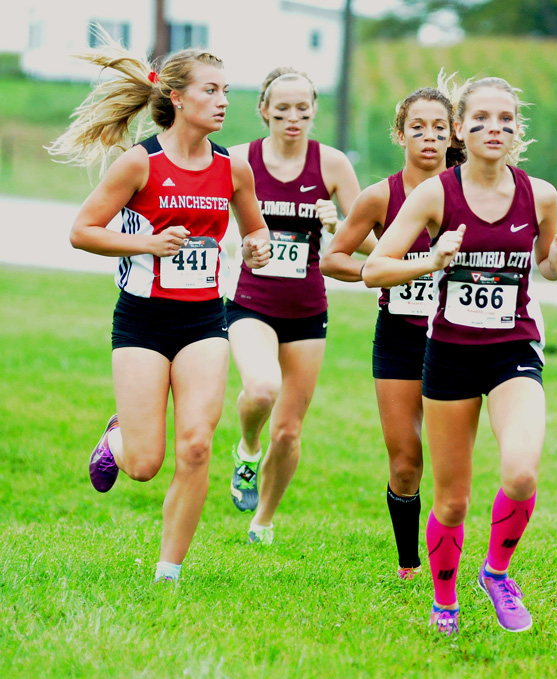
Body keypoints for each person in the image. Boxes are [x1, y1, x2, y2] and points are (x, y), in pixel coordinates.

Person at [46, 33, 271, 584]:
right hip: (143, 322)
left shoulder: (232, 167)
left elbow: (255, 229)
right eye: (211, 90)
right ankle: (117, 437)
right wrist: (146, 244)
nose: (223, 101)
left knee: (196, 445)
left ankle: (168, 573)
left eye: (227, 90)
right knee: (145, 465)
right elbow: (82, 232)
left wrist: (259, 247)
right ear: (175, 97)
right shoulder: (137, 165)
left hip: (204, 321)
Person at [362, 77, 557, 635]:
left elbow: (543, 266)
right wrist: (432, 261)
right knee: (453, 502)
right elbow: (373, 270)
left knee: (521, 471)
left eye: (506, 119)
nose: (495, 128)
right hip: (451, 356)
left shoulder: (542, 195)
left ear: (517, 130)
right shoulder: (437, 193)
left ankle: (496, 572)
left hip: (513, 350)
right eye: (481, 118)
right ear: (461, 129)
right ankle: (444, 601)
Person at [323, 83, 462, 579]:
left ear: (454, 136)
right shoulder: (380, 195)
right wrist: (382, 273)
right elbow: (333, 258)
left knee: (450, 466)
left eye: (439, 129)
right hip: (400, 337)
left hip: (458, 337)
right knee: (405, 462)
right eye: (418, 128)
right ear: (399, 134)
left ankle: (450, 554)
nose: (429, 138)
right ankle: (409, 564)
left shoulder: (475, 190)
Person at [224, 67, 362, 546]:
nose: (293, 119)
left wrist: (339, 225)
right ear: (263, 110)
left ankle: (262, 520)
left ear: (314, 111)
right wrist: (242, 248)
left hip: (307, 310)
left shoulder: (332, 165)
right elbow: (216, 229)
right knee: (261, 390)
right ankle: (245, 448)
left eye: (303, 110)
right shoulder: (240, 160)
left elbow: (376, 243)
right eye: (282, 109)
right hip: (250, 302)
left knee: (288, 433)